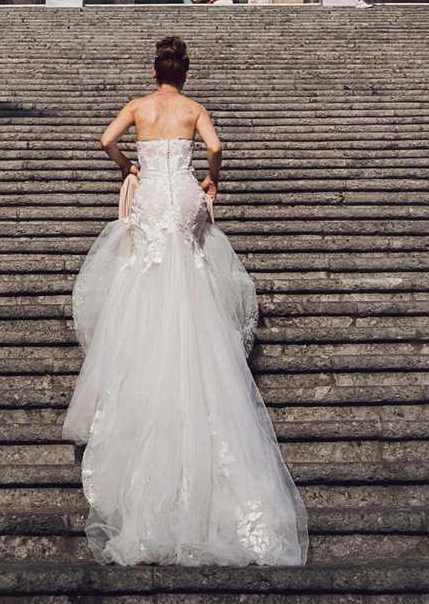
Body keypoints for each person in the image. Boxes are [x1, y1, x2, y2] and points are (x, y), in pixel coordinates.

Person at [66, 36, 307, 565]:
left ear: (155, 70)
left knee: (146, 270)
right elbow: (216, 149)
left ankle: (148, 354)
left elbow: (106, 139)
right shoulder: (194, 109)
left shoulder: (138, 106)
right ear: (185, 72)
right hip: (183, 194)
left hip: (152, 191)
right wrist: (211, 182)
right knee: (191, 269)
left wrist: (127, 166)